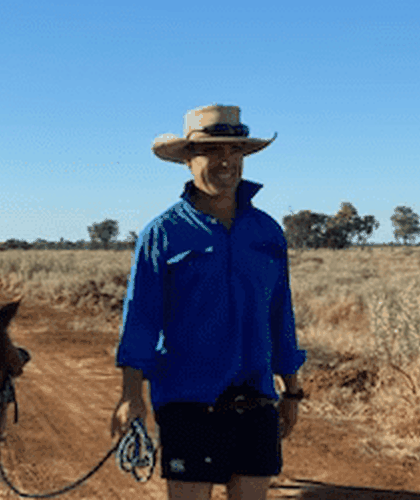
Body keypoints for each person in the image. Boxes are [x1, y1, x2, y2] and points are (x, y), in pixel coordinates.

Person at [108, 105, 308, 500]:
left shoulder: (267, 232)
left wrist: (292, 390)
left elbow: (280, 316)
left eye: (234, 151)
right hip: (188, 404)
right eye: (211, 150)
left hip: (256, 401)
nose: (225, 161)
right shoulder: (162, 234)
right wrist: (131, 395)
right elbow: (141, 320)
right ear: (188, 159)